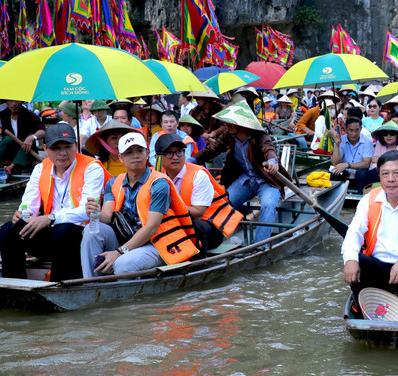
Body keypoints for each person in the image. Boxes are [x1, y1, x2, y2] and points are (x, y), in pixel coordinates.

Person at [0, 123, 107, 282]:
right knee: (8, 229)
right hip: (52, 233)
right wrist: (23, 214)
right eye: (56, 148)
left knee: (64, 230)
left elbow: (87, 210)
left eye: (68, 147)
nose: (63, 153)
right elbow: (29, 204)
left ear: (76, 146)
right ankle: (12, 282)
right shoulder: (40, 168)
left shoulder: (92, 168)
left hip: (81, 235)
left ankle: (61, 285)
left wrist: (50, 218)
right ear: (46, 149)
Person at [81, 133, 198, 277]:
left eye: (139, 150)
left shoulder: (159, 183)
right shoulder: (113, 182)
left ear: (147, 154)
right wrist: (95, 213)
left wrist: (118, 253)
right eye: (129, 152)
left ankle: (125, 297)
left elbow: (151, 228)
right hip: (127, 240)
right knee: (91, 231)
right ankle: (92, 284)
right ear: (121, 157)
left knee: (123, 264)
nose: (135, 156)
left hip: (157, 244)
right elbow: (106, 217)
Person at [341, 150, 398, 306]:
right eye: (385, 174)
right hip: (379, 266)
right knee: (356, 259)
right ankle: (362, 308)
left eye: (397, 173)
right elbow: (354, 231)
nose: (390, 179)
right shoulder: (369, 199)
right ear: (379, 176)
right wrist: (350, 260)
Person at [200, 102, 291, 244]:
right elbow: (211, 150)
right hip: (245, 180)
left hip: (267, 181)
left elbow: (268, 149)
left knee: (268, 205)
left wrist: (272, 161)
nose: (227, 125)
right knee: (224, 203)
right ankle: (214, 240)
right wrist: (190, 160)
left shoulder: (260, 136)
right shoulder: (228, 136)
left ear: (242, 124)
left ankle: (260, 245)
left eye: (231, 122)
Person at [155, 133, 242, 253]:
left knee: (197, 225)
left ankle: (200, 264)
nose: (175, 157)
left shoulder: (198, 175)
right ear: (158, 157)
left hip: (208, 227)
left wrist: (167, 206)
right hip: (175, 224)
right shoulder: (155, 177)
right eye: (169, 153)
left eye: (179, 152)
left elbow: (198, 213)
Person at [0, 100, 46, 175]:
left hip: (27, 152)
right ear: (6, 102)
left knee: (26, 140)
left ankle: (11, 167)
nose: (14, 104)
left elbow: (42, 131)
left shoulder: (29, 115)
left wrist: (32, 137)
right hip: (10, 153)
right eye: (10, 101)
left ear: (22, 102)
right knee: (7, 139)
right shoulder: (1, 115)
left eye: (17, 101)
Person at [328, 117, 374, 194]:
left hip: (360, 172)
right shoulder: (341, 140)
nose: (354, 134)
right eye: (351, 130)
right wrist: (337, 145)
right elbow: (335, 163)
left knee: (362, 172)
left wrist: (347, 165)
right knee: (334, 172)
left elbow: (366, 164)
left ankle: (361, 197)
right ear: (346, 129)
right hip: (344, 172)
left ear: (361, 129)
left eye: (357, 130)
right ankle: (335, 196)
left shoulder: (367, 141)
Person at [366, 121, 398, 185]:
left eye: (392, 133)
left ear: (397, 135)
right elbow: (374, 163)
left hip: (397, 175)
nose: (388, 136)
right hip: (380, 173)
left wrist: (380, 160)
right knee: (372, 172)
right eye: (385, 134)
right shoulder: (378, 146)